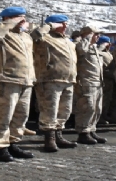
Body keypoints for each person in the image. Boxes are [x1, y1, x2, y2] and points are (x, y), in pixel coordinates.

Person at [0, 7, 36, 162]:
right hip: (5, 80)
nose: (23, 21)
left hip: (25, 80)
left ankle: (14, 143)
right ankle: (1, 148)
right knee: (2, 116)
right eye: (19, 17)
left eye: (24, 18)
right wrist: (9, 23)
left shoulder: (25, 36)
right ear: (9, 18)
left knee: (21, 116)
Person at [31, 14, 78, 152]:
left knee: (65, 110)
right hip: (49, 79)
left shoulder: (68, 42)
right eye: (61, 23)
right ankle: (49, 139)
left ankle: (58, 135)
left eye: (66, 24)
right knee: (49, 111)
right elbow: (33, 35)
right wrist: (50, 26)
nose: (65, 26)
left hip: (68, 80)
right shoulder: (44, 38)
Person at [74, 26, 107, 144]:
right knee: (87, 107)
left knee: (97, 108)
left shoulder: (94, 46)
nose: (98, 37)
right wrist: (87, 37)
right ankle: (83, 132)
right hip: (86, 81)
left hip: (97, 81)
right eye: (95, 34)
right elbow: (81, 50)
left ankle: (91, 129)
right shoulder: (80, 44)